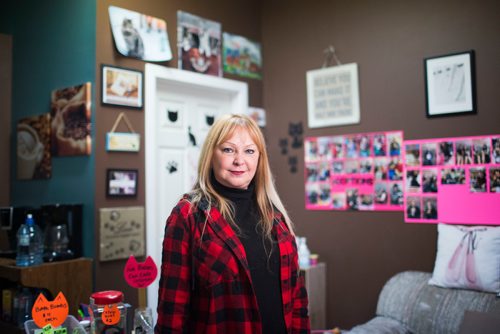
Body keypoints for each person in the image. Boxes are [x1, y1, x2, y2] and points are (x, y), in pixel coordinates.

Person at [155, 114, 310, 334]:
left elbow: (298, 301)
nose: (240, 160)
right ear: (211, 155)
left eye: (249, 151)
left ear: (259, 158)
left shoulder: (275, 217)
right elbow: (172, 310)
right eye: (228, 150)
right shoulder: (189, 215)